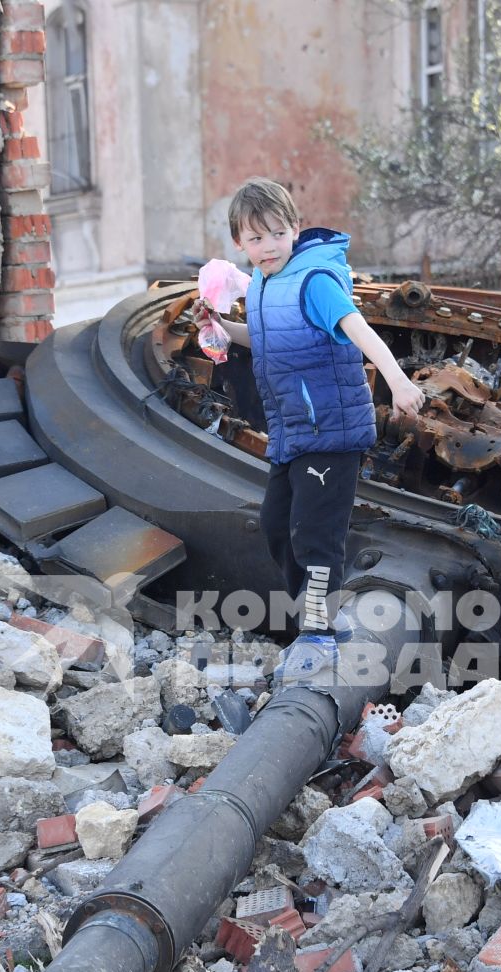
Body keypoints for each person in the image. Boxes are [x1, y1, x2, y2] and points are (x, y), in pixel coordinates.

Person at [198, 177, 425, 683]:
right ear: (239, 242)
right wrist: (220, 328)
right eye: (256, 238)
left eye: (278, 233)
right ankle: (324, 618)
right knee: (277, 524)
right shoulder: (262, 284)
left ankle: (318, 634)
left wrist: (398, 381)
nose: (268, 245)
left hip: (333, 429)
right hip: (293, 432)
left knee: (315, 534)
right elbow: (264, 338)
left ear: (296, 230)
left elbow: (357, 328)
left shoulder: (313, 280)